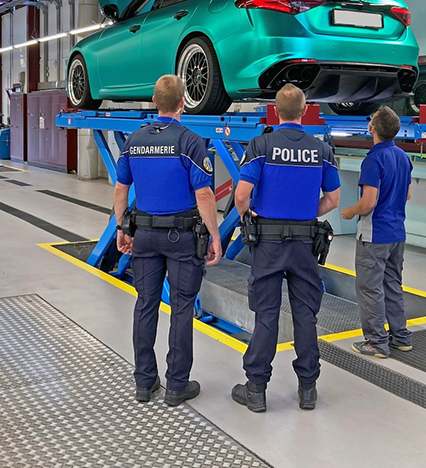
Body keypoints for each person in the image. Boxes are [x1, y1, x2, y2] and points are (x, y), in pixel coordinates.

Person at [114, 74, 222, 406]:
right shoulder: (190, 141)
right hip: (182, 238)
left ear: (154, 100)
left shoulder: (134, 140)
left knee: (145, 305)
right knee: (181, 308)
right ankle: (177, 385)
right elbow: (203, 194)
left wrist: (122, 228)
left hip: (144, 236)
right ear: (182, 102)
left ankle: (144, 383)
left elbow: (121, 189)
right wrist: (215, 236)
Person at [232, 84, 341, 412]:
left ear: (276, 111)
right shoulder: (320, 149)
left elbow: (241, 194)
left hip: (267, 241)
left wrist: (247, 211)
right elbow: (333, 199)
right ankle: (308, 388)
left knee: (266, 313)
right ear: (304, 110)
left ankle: (256, 388)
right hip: (305, 242)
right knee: (305, 313)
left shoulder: (261, 144)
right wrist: (308, 213)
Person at [341, 105, 414, 358]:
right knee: (392, 285)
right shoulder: (403, 157)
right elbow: (407, 195)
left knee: (369, 288)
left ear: (372, 129)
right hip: (397, 233)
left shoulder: (373, 159)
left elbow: (369, 202)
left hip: (374, 236)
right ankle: (401, 337)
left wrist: (350, 211)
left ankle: (376, 342)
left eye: (370, 121)